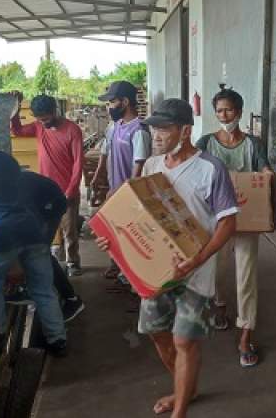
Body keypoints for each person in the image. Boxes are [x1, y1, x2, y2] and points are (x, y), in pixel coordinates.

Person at [97, 99, 238, 418]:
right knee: (157, 334)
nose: (156, 135)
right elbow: (139, 219)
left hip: (196, 271)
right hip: (158, 271)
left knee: (184, 340)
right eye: (154, 129)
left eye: (164, 129)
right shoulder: (151, 167)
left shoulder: (209, 168)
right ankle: (184, 387)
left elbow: (228, 223)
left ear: (185, 131)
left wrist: (198, 259)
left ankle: (181, 409)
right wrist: (116, 244)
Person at [0, 116, 67, 357]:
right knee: (43, 289)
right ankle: (57, 340)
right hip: (30, 229)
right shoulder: (8, 161)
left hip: (1, 234)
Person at [195, 87, 272, 368]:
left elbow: (264, 169)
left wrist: (266, 177)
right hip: (215, 221)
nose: (223, 116)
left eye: (228, 110)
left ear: (238, 112)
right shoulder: (205, 143)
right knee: (217, 272)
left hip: (246, 220)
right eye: (219, 112)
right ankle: (220, 306)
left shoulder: (253, 144)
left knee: (246, 277)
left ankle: (245, 335)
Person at [11, 94, 84, 276]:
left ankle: (73, 262)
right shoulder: (38, 127)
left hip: (67, 191)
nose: (43, 122)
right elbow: (17, 131)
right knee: (47, 228)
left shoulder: (72, 130)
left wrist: (71, 190)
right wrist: (16, 107)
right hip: (45, 193)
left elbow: (78, 163)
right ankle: (54, 258)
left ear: (55, 111)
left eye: (46, 118)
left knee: (69, 229)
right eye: (40, 119)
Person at [92, 80, 152, 280]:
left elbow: (139, 165)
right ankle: (116, 265)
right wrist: (98, 175)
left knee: (132, 234)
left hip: (130, 194)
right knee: (114, 230)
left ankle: (132, 275)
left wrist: (125, 193)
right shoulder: (114, 126)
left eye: (111, 102)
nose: (108, 107)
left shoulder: (139, 131)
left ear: (125, 102)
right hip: (114, 188)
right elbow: (105, 150)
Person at [18, 170, 85, 323]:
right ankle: (32, 289)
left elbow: (29, 218)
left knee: (39, 251)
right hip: (42, 202)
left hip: (52, 205)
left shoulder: (15, 189)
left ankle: (72, 299)